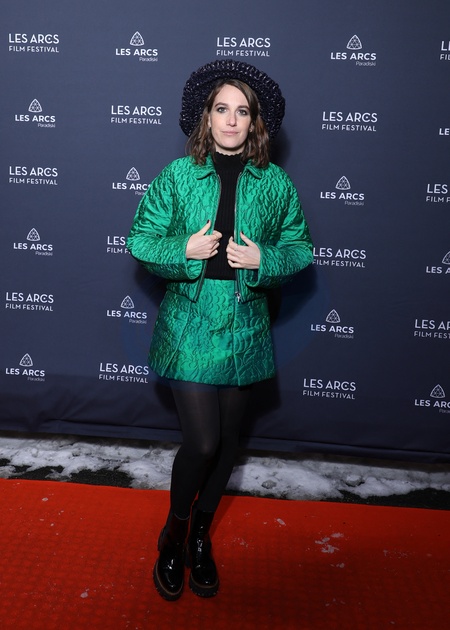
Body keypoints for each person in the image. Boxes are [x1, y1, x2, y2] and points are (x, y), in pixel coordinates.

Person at [126, 59, 313, 601]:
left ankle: (201, 537)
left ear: (255, 122)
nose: (231, 120)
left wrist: (264, 259)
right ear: (205, 117)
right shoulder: (177, 176)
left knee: (228, 444)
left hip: (246, 324)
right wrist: (182, 249)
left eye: (242, 111)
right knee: (203, 441)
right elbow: (140, 240)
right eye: (221, 109)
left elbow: (300, 248)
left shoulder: (275, 183)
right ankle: (173, 534)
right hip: (191, 322)